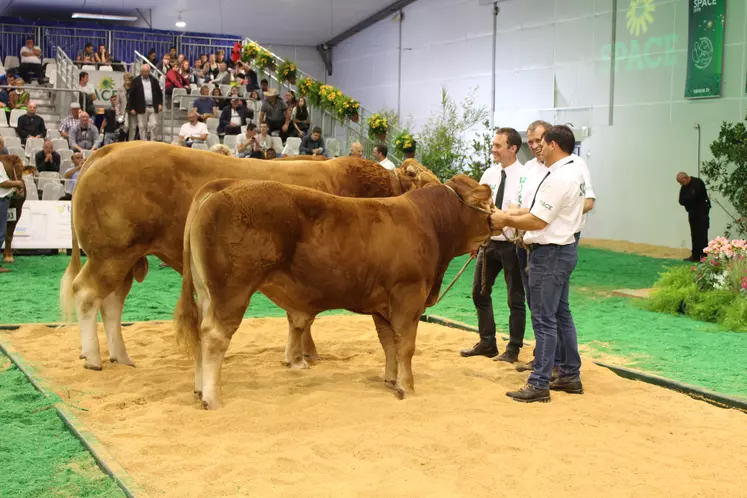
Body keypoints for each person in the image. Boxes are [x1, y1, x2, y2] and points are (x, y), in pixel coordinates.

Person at [491, 125, 586, 403]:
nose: (537, 147)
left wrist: (506, 220)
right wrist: (517, 213)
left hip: (550, 254)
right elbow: (543, 212)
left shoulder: (558, 178)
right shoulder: (572, 171)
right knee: (560, 314)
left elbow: (539, 221)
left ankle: (539, 383)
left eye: (542, 142)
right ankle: (569, 374)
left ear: (554, 144)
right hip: (563, 249)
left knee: (544, 320)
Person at [460, 128, 526, 362]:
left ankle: (514, 349)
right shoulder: (489, 174)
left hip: (514, 245)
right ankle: (488, 342)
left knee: (515, 300)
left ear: (513, 148)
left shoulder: (526, 176)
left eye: (498, 145)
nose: (493, 149)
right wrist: (475, 239)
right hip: (488, 244)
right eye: (494, 144)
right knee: (479, 292)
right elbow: (477, 208)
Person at [677, 172, 711, 262]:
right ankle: (695, 256)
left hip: (702, 212)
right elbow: (681, 200)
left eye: (681, 182)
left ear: (686, 178)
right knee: (694, 234)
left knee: (702, 234)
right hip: (692, 213)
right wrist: (689, 200)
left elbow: (697, 196)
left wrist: (689, 200)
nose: (681, 184)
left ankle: (704, 256)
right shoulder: (684, 187)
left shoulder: (697, 182)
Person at [127, 64, 163, 141]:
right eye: (144, 72)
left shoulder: (154, 81)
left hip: (153, 106)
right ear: (141, 72)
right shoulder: (136, 81)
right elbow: (131, 96)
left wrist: (160, 103)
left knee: (154, 124)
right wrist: (131, 108)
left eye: (147, 72)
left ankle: (152, 142)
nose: (146, 73)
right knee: (142, 126)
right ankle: (143, 142)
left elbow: (159, 93)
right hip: (140, 107)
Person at [0, 165, 24, 273]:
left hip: (4, 199)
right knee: (0, 234)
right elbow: (1, 183)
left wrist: (13, 191)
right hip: (1, 201)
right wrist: (17, 183)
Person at [116, 73, 136, 141]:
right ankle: (121, 141)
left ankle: (130, 142)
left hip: (132, 111)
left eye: (129, 80)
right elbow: (117, 103)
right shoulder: (120, 89)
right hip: (123, 111)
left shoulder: (134, 88)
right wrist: (117, 113)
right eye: (126, 80)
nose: (128, 82)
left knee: (133, 128)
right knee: (125, 126)